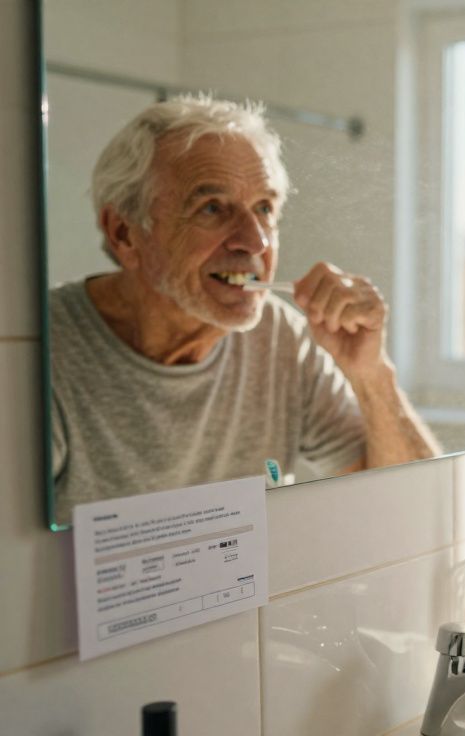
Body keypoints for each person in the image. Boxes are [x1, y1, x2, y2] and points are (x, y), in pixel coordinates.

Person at [51, 95, 439, 524]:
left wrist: (371, 374)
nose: (256, 242)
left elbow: (413, 512)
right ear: (124, 233)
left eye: (264, 208)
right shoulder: (42, 352)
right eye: (212, 208)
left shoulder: (283, 339)